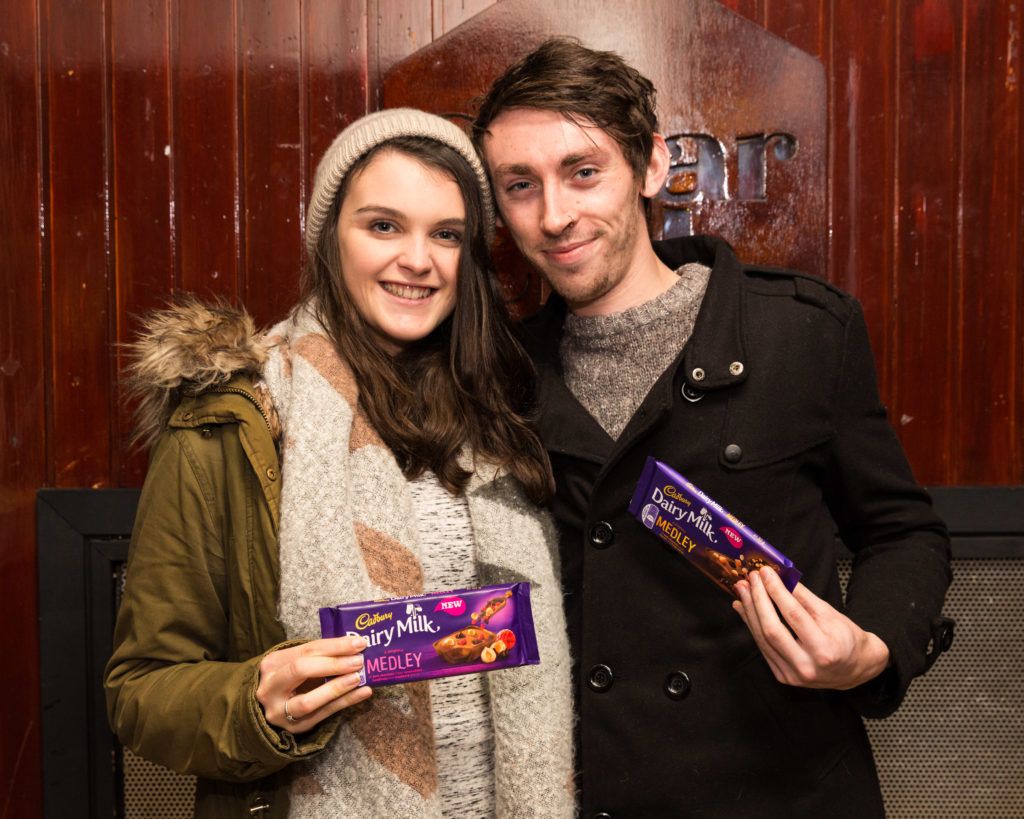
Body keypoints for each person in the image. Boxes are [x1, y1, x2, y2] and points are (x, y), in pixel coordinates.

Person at [472, 39, 953, 817]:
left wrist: (869, 646)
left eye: (583, 171)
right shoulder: (499, 380)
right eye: (520, 185)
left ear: (652, 167)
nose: (554, 215)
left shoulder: (801, 333)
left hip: (781, 788)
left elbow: (903, 530)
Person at [104, 109, 575, 819]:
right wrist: (256, 701)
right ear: (330, 236)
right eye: (383, 225)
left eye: (445, 234)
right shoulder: (233, 420)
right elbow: (140, 689)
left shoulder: (505, 409)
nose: (417, 259)